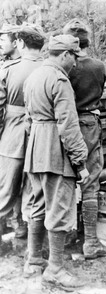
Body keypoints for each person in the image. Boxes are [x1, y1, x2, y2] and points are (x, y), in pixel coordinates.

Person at [23, 34, 89, 290]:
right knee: (59, 208)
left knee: (37, 205)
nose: (75, 63)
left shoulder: (34, 76)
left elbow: (29, 118)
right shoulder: (60, 80)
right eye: (74, 57)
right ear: (65, 55)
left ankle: (34, 260)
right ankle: (55, 269)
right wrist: (80, 162)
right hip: (54, 150)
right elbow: (68, 126)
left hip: (35, 148)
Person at [62, 19, 106, 260]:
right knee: (90, 181)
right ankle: (91, 241)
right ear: (87, 42)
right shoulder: (99, 66)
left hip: (64, 125)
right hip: (89, 124)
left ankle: (66, 234)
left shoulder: (64, 67)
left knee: (64, 179)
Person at [0, 24, 34, 254]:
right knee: (30, 188)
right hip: (36, 134)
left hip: (12, 134)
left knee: (5, 189)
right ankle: (27, 243)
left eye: (4, 39)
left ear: (18, 42)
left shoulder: (9, 69)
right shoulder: (44, 67)